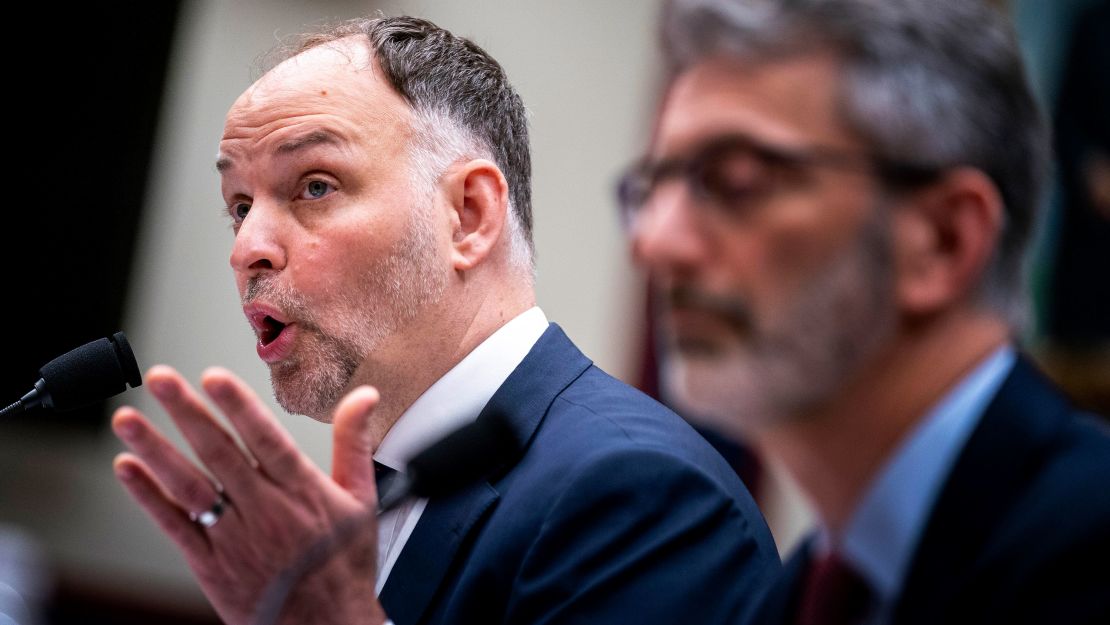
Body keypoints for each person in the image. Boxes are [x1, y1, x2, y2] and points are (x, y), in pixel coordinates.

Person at [110, 15, 779, 625]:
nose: (246, 247)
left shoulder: (641, 496)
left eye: (314, 185)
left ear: (469, 215)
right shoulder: (382, 491)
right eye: (239, 204)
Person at [622, 0, 1110, 623]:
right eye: (651, 190)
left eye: (736, 181)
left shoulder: (1086, 555)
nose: (655, 241)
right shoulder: (799, 594)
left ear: (942, 239)